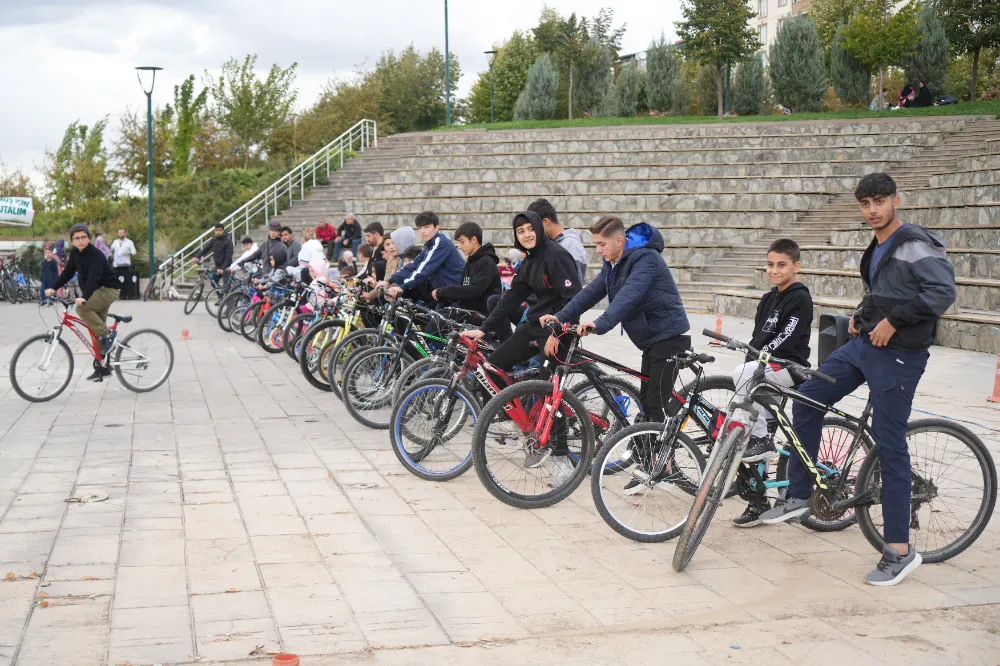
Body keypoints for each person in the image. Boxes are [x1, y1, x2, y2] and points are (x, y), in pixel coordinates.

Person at [760, 173, 956, 587]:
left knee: (890, 445)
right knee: (808, 396)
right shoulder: (877, 246)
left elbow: (942, 293)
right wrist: (861, 316)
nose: (872, 210)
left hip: (900, 355)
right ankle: (800, 494)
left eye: (879, 201)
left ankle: (899, 550)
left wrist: (892, 321)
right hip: (865, 345)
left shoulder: (914, 243)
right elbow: (881, 292)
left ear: (896, 201)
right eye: (865, 203)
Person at [539, 215, 690, 429]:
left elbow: (628, 296)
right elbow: (591, 292)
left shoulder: (647, 259)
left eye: (602, 244)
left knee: (656, 405)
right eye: (596, 244)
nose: (598, 250)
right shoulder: (613, 264)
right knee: (647, 404)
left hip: (669, 338)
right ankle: (650, 445)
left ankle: (665, 448)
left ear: (619, 241)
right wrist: (560, 316)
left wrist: (599, 323)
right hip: (652, 340)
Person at [463, 211, 582, 481]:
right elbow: (510, 299)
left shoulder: (557, 256)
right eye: (520, 231)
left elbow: (574, 298)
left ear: (539, 228)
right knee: (492, 367)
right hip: (535, 326)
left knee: (548, 392)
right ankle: (526, 425)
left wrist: (559, 331)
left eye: (530, 228)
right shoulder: (529, 261)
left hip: (560, 330)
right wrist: (484, 329)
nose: (526, 234)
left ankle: (562, 459)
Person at [726, 239, 813, 527]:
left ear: (796, 266)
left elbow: (786, 336)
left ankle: (763, 440)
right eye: (770, 264)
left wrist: (759, 358)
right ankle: (758, 502)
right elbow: (757, 337)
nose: (774, 270)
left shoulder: (800, 298)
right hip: (766, 367)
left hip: (789, 367)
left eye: (781, 265)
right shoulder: (767, 298)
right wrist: (754, 354)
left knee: (743, 376)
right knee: (749, 428)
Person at [45, 224, 121, 381]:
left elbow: (94, 277)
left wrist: (85, 297)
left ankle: (109, 334)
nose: (80, 240)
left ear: (89, 238)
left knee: (82, 310)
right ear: (72, 241)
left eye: (83, 237)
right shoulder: (75, 253)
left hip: (108, 289)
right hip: (96, 291)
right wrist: (53, 287)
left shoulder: (95, 255)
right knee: (96, 329)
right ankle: (102, 368)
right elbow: (68, 272)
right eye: (77, 238)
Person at [381, 212, 465, 303]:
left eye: (426, 227)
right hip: (443, 295)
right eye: (420, 228)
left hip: (456, 295)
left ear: (436, 227)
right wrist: (389, 281)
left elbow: (425, 268)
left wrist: (403, 287)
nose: (422, 231)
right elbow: (414, 265)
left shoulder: (440, 242)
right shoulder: (429, 246)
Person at [432, 222, 502, 316]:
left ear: (473, 240)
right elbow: (463, 290)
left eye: (462, 242)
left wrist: (443, 291)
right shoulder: (470, 261)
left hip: (482, 315)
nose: (459, 246)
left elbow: (473, 291)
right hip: (467, 312)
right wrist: (443, 295)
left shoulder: (486, 262)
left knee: (437, 321)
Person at [527, 198, 587, 281]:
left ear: (545, 222)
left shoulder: (570, 244)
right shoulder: (549, 243)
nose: (534, 231)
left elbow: (574, 282)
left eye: (534, 226)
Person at [194, 223, 234, 289]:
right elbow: (206, 248)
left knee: (227, 287)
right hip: (217, 266)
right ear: (214, 231)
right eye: (216, 230)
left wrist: (223, 268)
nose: (218, 232)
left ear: (223, 230)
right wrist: (197, 256)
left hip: (227, 267)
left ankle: (229, 295)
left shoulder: (228, 240)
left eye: (220, 230)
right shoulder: (214, 239)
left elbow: (228, 257)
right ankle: (221, 295)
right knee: (213, 283)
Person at [110, 228, 136, 295]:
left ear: (125, 233)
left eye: (121, 233)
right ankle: (116, 294)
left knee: (125, 280)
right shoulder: (115, 242)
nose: (120, 234)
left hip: (125, 265)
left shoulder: (129, 242)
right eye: (119, 233)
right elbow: (110, 250)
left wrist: (128, 253)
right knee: (116, 280)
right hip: (116, 265)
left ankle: (125, 294)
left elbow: (134, 252)